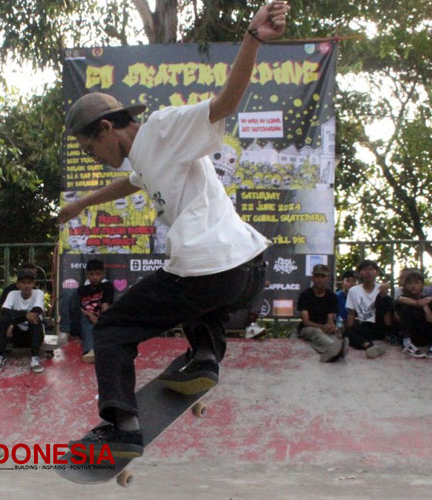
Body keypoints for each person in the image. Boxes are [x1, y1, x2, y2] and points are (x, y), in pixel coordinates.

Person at [58, 1, 288, 458]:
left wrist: (253, 39)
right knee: (189, 284)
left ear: (107, 128)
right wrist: (81, 202)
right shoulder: (144, 156)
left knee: (113, 329)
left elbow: (225, 103)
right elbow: (130, 181)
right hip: (242, 272)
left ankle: (120, 428)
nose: (92, 158)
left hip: (212, 266)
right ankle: (204, 357)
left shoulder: (164, 128)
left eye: (90, 149)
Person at [0, 268, 46, 373]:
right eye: (23, 283)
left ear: (33, 283)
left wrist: (13, 323)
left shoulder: (38, 293)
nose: (26, 286)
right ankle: (0, 356)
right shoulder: (12, 294)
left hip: (34, 336)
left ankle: (35, 358)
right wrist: (24, 315)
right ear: (18, 284)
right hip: (16, 335)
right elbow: (5, 311)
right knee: (4, 319)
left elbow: (37, 310)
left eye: (29, 283)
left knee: (34, 319)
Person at [296, 264, 347, 362]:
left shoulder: (332, 296)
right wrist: (321, 327)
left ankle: (334, 351)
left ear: (327, 278)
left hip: (325, 328)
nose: (319, 279)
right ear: (313, 278)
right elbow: (306, 321)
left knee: (334, 334)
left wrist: (330, 326)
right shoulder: (305, 295)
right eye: (317, 276)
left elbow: (330, 319)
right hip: (307, 328)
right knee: (316, 332)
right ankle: (335, 348)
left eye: (322, 276)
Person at [343, 259, 393, 359]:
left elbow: (388, 310)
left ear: (377, 272)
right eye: (364, 270)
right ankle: (369, 346)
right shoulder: (354, 290)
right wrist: (349, 329)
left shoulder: (382, 288)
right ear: (359, 273)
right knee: (347, 333)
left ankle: (389, 334)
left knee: (385, 298)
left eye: (371, 269)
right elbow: (351, 314)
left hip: (380, 324)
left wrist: (384, 292)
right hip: (365, 326)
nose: (368, 272)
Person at [395, 270, 432, 359]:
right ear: (405, 286)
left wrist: (430, 299)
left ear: (422, 285)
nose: (413, 286)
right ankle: (407, 344)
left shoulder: (425, 298)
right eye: (409, 284)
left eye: (416, 283)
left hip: (425, 333)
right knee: (406, 307)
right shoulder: (402, 297)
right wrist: (424, 306)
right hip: (411, 333)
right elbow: (402, 300)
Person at [77, 259, 114, 363]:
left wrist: (101, 322)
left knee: (107, 322)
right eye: (91, 274)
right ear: (87, 275)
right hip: (87, 318)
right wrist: (89, 314)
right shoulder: (82, 289)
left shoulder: (107, 286)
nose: (94, 277)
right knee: (86, 321)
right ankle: (90, 350)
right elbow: (78, 308)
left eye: (97, 274)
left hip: (100, 318)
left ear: (102, 274)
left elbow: (105, 305)